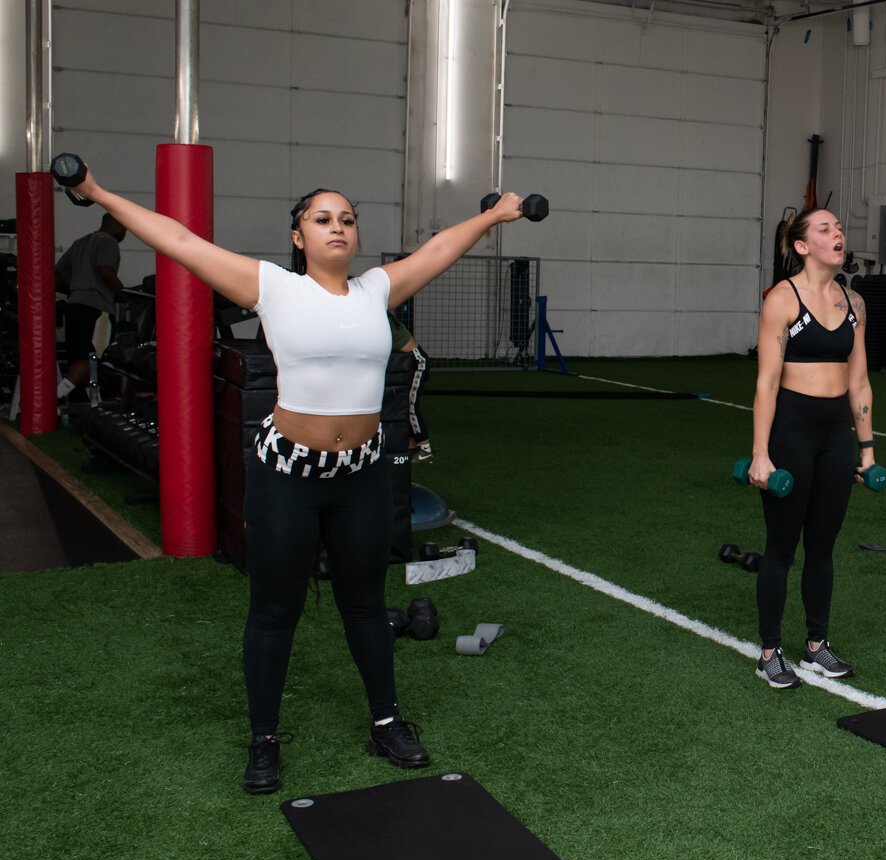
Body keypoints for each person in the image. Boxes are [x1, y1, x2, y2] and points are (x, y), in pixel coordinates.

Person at [58, 162, 531, 793]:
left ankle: (386, 720)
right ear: (298, 237)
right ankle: (264, 739)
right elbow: (178, 239)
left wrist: (495, 216)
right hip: (287, 476)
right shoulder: (274, 288)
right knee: (274, 611)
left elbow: (440, 245)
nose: (337, 227)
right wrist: (92, 191)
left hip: (360, 476)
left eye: (347, 220)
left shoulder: (376, 292)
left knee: (364, 606)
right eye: (322, 219)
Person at [748, 206, 875, 688]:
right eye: (826, 229)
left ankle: (817, 645)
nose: (838, 234)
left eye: (839, 228)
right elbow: (766, 382)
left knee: (822, 548)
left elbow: (859, 383)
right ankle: (769, 651)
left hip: (834, 436)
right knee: (782, 547)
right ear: (803, 246)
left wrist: (866, 448)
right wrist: (762, 453)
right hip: (792, 431)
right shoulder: (782, 299)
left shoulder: (855, 303)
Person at [54, 212, 126, 400]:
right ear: (117, 225)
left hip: (75, 305)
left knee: (79, 358)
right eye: (125, 228)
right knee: (92, 357)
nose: (125, 232)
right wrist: (121, 290)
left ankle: (93, 403)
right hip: (97, 309)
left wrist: (76, 287)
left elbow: (59, 271)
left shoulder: (81, 242)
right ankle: (53, 397)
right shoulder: (108, 242)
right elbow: (105, 271)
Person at [387, 311, 433, 462]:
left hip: (416, 361)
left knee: (410, 405)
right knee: (401, 404)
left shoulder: (382, 318)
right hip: (404, 363)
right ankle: (411, 445)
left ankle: (425, 450)